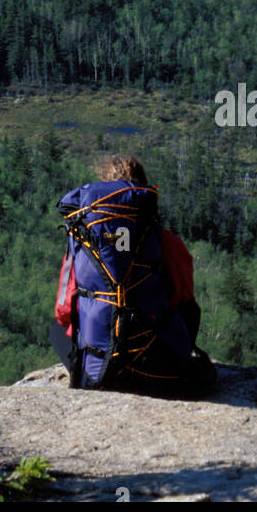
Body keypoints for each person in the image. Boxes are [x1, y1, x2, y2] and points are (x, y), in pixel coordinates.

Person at [52, 151, 216, 396]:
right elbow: (183, 299)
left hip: (99, 376)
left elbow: (63, 312)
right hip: (159, 373)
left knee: (56, 331)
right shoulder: (166, 242)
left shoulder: (82, 242)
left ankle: (88, 367)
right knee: (190, 312)